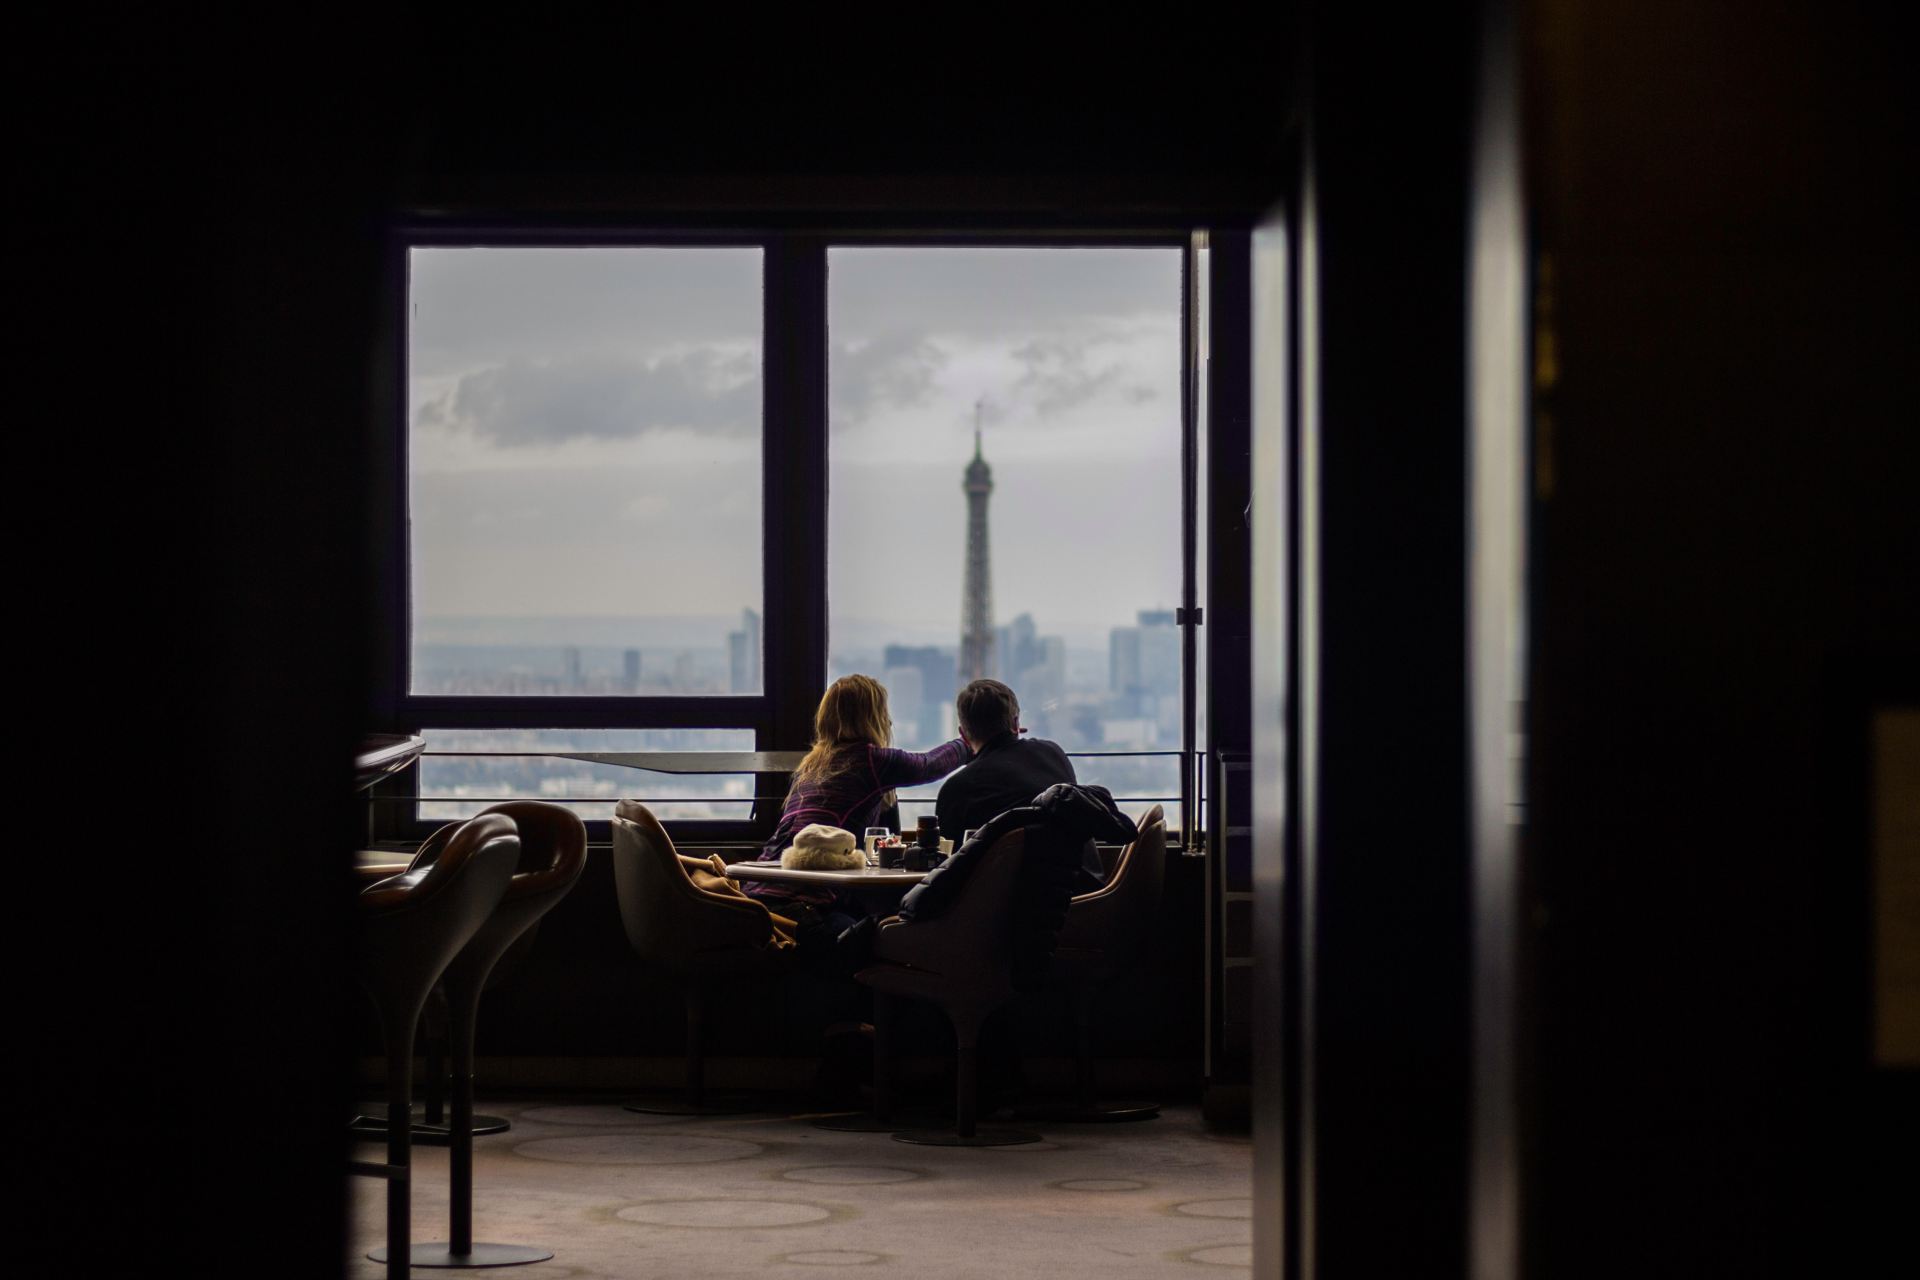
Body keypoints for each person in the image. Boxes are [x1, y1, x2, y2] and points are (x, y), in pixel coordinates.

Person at [746, 673, 971, 950]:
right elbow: (929, 765)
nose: (889, 721)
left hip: (758, 897)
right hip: (803, 906)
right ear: (873, 717)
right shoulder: (869, 759)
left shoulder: (811, 766)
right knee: (889, 941)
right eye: (884, 712)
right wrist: (968, 742)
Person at [935, 678, 1105, 891]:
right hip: (1086, 898)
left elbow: (947, 863)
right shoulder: (1054, 754)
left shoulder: (958, 788)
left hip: (1003, 914)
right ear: (1016, 723)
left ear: (962, 734)